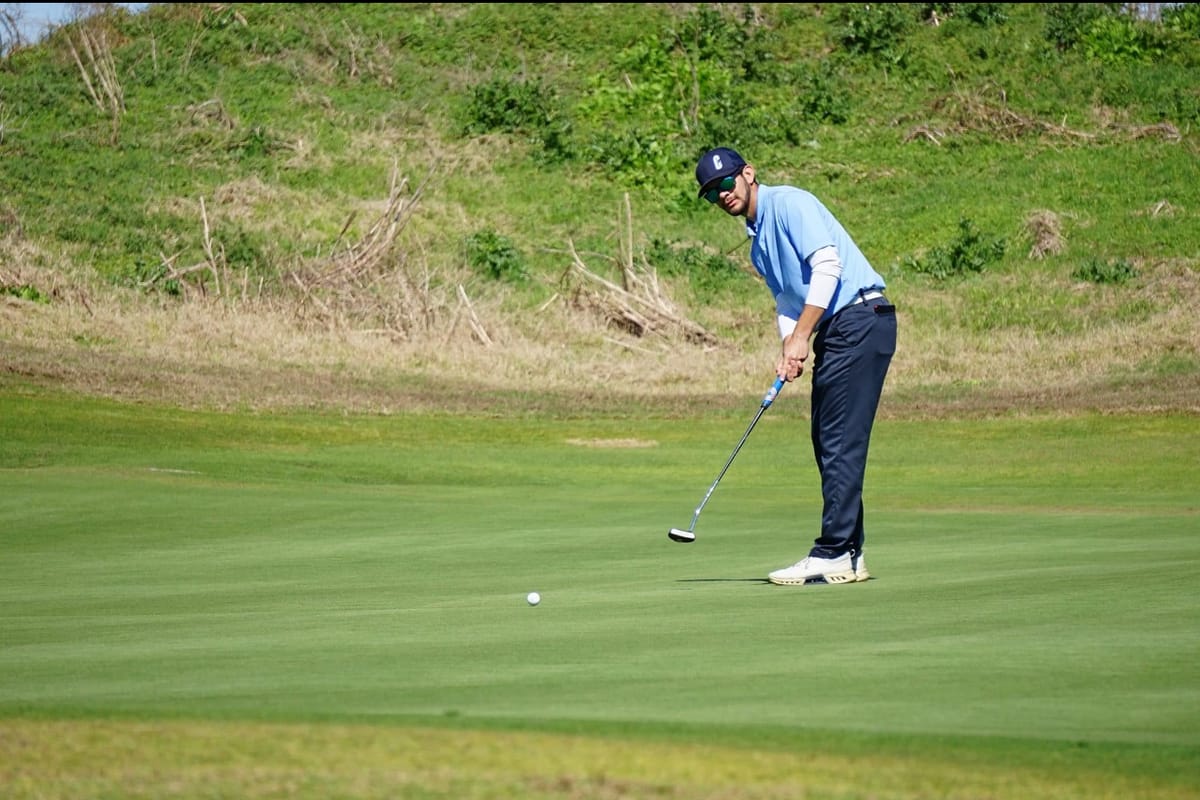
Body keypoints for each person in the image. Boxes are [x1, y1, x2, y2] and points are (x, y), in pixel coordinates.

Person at [694, 147, 897, 586]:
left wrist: (804, 336)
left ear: (748, 174)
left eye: (727, 184)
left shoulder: (790, 203)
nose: (723, 196)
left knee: (838, 440)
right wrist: (790, 345)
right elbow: (789, 299)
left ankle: (833, 551)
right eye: (712, 195)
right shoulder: (757, 243)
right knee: (827, 438)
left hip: (860, 319)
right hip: (842, 330)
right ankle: (849, 551)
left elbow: (828, 267)